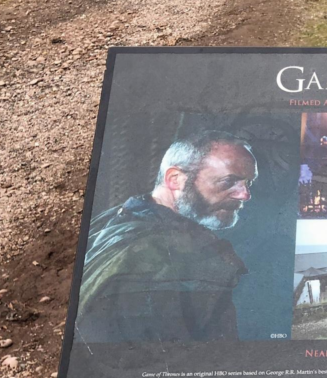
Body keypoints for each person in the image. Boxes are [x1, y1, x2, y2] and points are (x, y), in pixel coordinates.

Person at [75, 131, 257, 343]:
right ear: (175, 179)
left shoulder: (114, 219)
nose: (245, 195)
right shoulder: (165, 257)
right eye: (229, 182)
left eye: (248, 183)